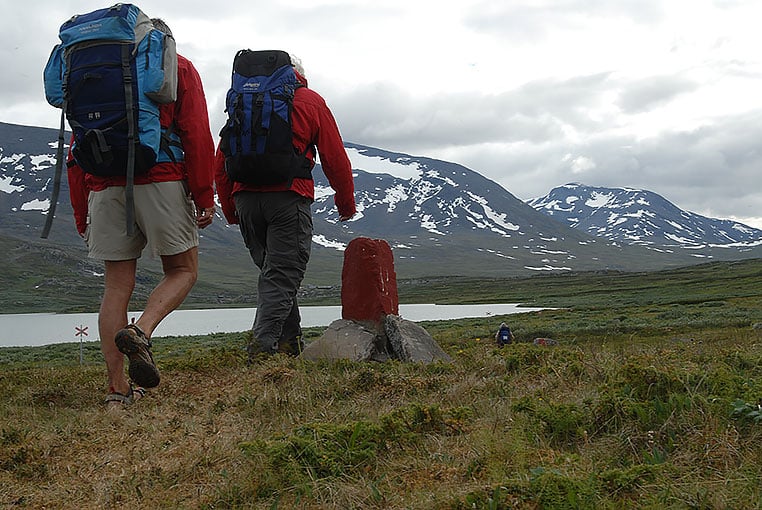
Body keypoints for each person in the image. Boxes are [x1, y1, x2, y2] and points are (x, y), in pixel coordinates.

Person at [67, 18, 216, 407]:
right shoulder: (177, 66)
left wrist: (82, 210)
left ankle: (117, 393)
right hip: (161, 176)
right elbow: (197, 134)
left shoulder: (93, 74)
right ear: (160, 41)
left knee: (116, 288)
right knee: (183, 270)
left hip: (103, 184)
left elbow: (76, 149)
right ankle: (142, 331)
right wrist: (204, 195)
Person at [215, 53, 356, 361]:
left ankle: (289, 345)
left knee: (274, 275)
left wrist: (229, 208)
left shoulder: (241, 101)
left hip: (246, 201)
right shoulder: (309, 101)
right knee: (281, 275)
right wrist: (345, 203)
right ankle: (261, 350)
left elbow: (222, 159)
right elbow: (335, 158)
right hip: (288, 198)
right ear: (295, 74)